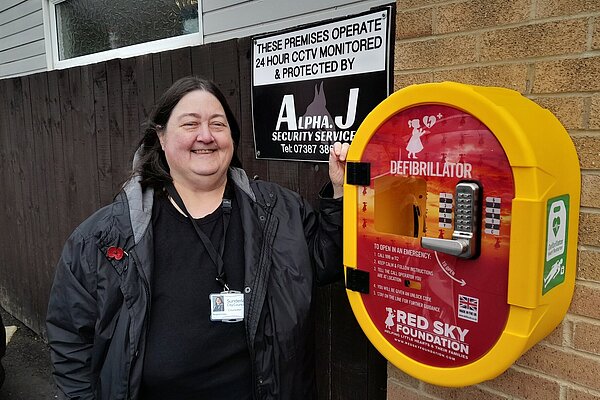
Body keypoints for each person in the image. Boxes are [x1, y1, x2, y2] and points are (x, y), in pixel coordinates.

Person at [46, 76, 349, 400]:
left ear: (231, 136)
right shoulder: (103, 239)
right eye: (190, 123)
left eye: (217, 124)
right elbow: (70, 340)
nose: (206, 135)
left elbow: (325, 259)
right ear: (160, 137)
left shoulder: (277, 212)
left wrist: (341, 190)